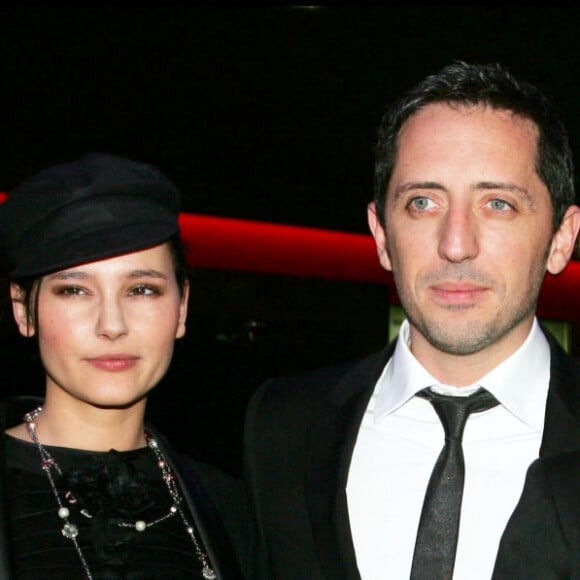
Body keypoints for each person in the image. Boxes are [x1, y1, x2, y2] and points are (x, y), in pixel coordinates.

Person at [243, 61, 580, 579]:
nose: (456, 244)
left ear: (561, 237)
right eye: (422, 202)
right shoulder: (283, 427)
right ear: (381, 235)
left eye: (498, 204)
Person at [0, 153, 249, 579]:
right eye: (74, 291)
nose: (112, 325)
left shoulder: (233, 509)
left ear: (182, 307)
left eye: (141, 289)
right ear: (24, 311)